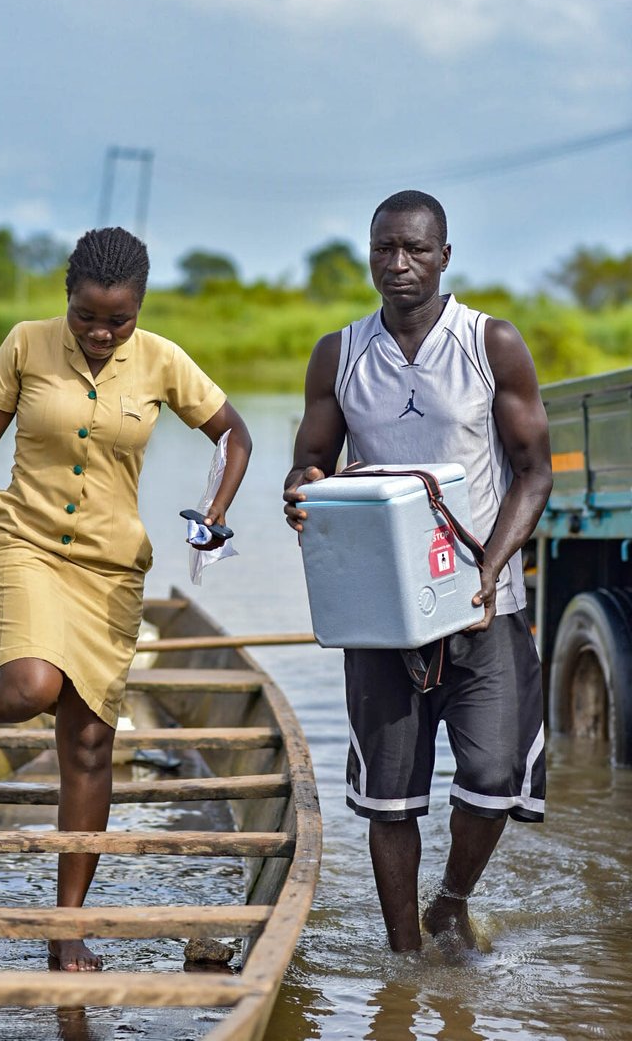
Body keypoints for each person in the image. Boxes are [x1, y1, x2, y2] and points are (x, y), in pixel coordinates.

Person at [0, 226, 252, 973]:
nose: (101, 333)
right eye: (88, 317)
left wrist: (217, 509)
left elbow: (233, 435)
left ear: (139, 307)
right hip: (24, 543)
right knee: (34, 683)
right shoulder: (26, 345)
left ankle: (67, 926)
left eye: (118, 320)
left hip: (111, 567)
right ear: (67, 300)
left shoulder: (164, 361)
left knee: (91, 744)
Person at [283, 190, 552, 954]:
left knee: (495, 775)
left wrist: (489, 568)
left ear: (444, 256)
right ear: (369, 254)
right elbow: (311, 461)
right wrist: (301, 491)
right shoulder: (339, 353)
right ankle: (404, 961)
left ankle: (452, 903)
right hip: (383, 609)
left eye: (415, 250)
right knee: (389, 801)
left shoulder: (489, 343)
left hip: (482, 606)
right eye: (383, 250)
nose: (398, 265)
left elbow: (535, 472)